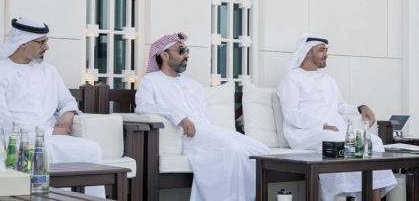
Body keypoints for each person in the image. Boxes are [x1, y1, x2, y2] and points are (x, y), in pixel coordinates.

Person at [135, 32, 270, 201]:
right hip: (187, 135)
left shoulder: (194, 85)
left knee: (260, 149)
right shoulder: (151, 81)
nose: (186, 55)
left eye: (187, 50)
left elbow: (206, 117)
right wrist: (178, 116)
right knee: (233, 148)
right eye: (181, 50)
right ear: (164, 55)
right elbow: (143, 107)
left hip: (208, 131)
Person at [0, 17, 105, 198]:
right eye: (41, 42)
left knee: (91, 147)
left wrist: (68, 114)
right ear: (22, 43)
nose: (46, 47)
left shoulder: (49, 71)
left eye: (46, 41)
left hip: (51, 135)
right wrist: (49, 133)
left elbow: (67, 101)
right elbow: (1, 121)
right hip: (14, 138)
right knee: (43, 151)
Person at [277, 33, 397, 201]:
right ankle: (338, 195)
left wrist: (361, 107)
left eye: (326, 50)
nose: (325, 54)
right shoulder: (291, 79)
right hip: (305, 132)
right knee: (336, 141)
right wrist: (322, 125)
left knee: (373, 142)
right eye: (321, 50)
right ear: (307, 52)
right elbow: (291, 114)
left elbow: (340, 107)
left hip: (333, 130)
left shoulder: (328, 80)